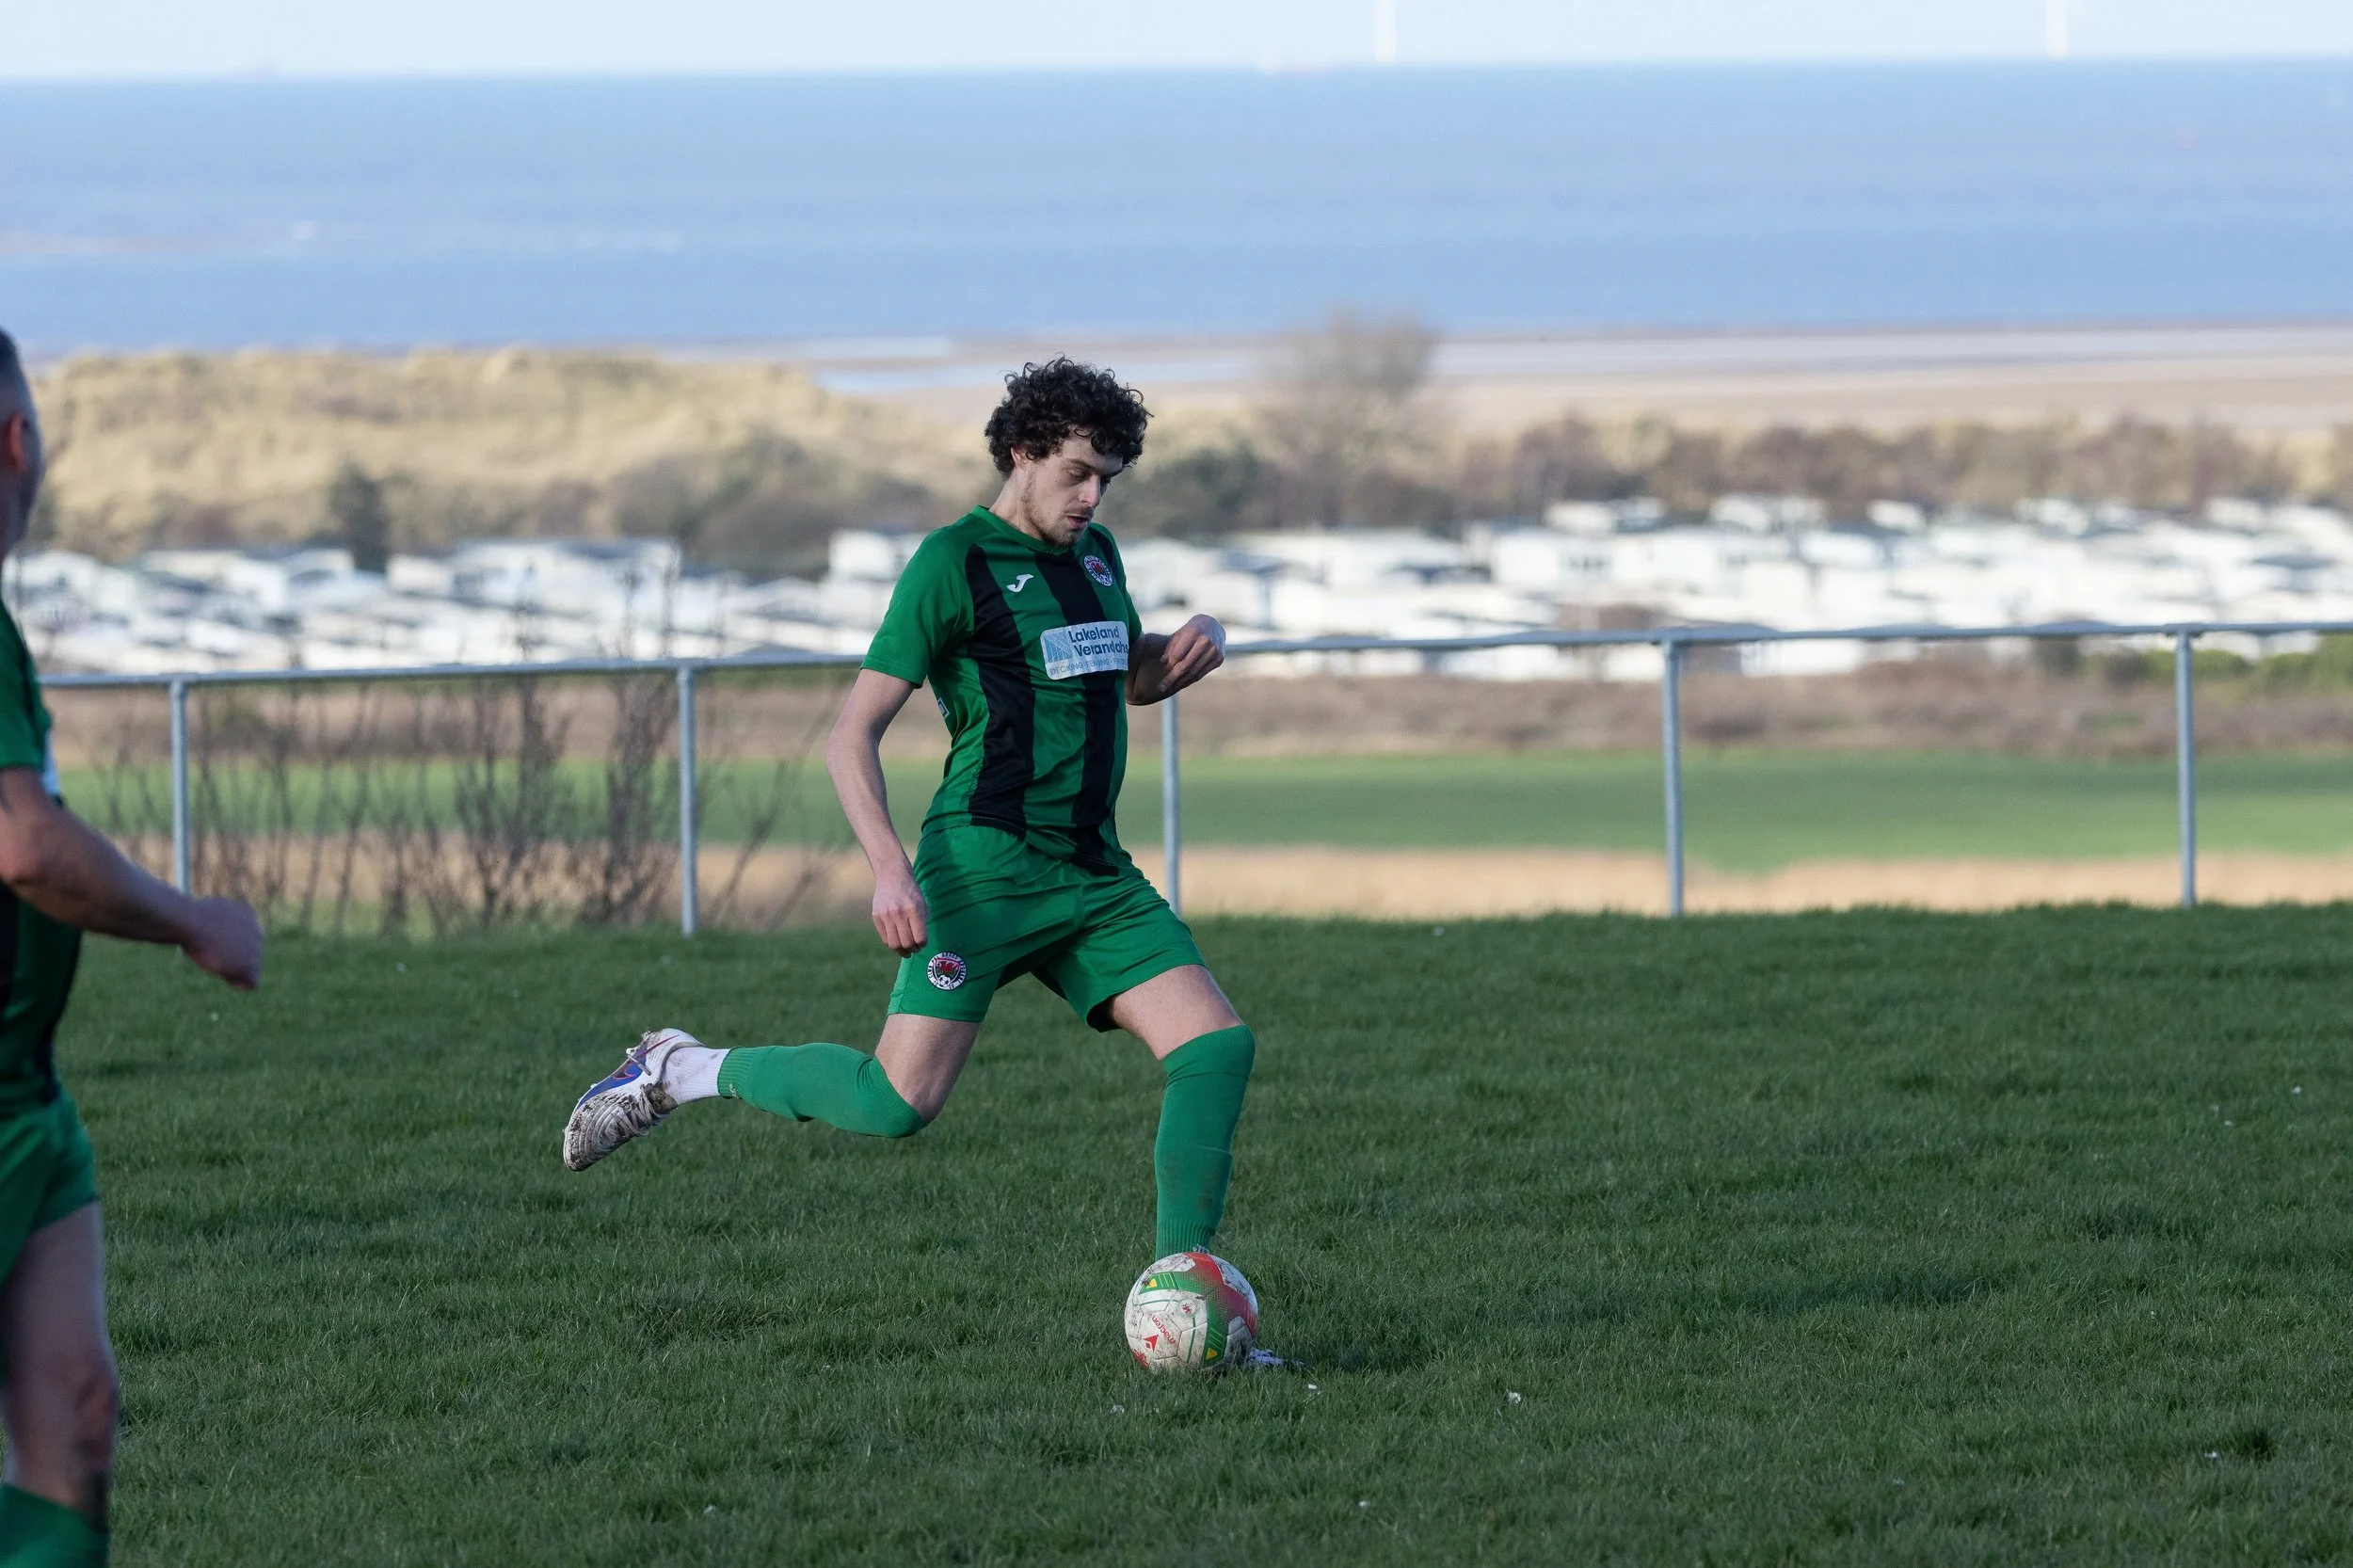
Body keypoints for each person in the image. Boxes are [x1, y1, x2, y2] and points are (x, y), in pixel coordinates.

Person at [563, 360, 1263, 1331]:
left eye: (1108, 476)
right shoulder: (952, 563)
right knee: (897, 1104)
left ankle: (1181, 1303)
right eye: (1075, 471)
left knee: (1217, 1048)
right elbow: (851, 732)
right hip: (980, 870)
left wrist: (1182, 651)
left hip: (1093, 872)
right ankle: (681, 1068)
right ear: (1021, 454)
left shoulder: (1097, 557)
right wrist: (890, 865)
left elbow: (1121, 677)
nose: (1092, 495)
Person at [0, 330, 265, 1567]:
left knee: (82, 1417)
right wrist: (193, 919)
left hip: (28, 1096)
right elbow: (28, 847)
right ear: (18, 442)